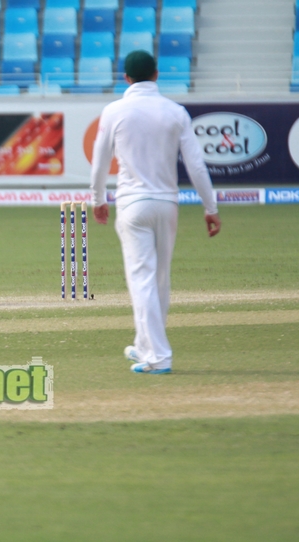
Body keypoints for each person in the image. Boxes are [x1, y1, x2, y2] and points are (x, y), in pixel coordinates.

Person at [90, 50, 221, 375]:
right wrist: (210, 207)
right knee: (159, 279)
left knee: (143, 281)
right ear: (157, 74)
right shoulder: (175, 112)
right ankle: (145, 344)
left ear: (126, 78)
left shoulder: (114, 110)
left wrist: (98, 199)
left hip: (133, 204)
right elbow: (196, 164)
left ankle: (159, 356)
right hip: (167, 204)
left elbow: (100, 162)